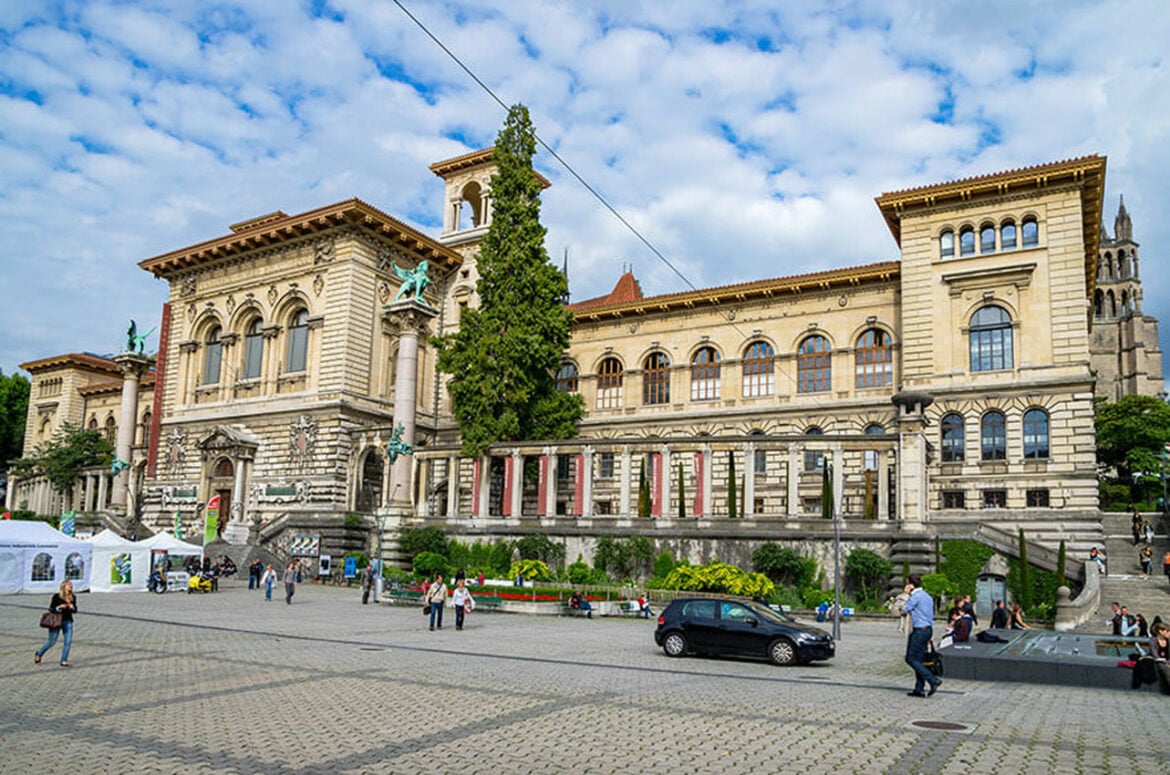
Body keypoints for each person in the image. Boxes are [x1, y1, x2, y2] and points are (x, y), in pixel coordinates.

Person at [901, 575, 941, 698]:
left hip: (919, 630)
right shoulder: (927, 596)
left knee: (910, 658)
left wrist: (905, 594)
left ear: (911, 585)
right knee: (919, 659)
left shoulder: (915, 597)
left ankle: (933, 679)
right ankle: (919, 688)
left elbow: (903, 610)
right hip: (927, 629)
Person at [35, 579, 77, 667]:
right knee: (52, 641)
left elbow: (75, 610)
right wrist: (59, 607)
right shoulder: (57, 596)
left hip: (68, 621)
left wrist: (72, 607)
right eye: (69, 585)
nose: (71, 586)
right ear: (64, 586)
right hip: (56, 621)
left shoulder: (72, 597)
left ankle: (64, 660)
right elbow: (51, 608)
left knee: (68, 641)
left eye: (71, 585)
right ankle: (39, 653)